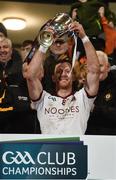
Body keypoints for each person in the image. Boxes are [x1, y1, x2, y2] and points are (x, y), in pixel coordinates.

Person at [23, 21, 100, 135]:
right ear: (53, 78)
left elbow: (94, 71)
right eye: (59, 71)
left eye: (67, 71)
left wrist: (83, 37)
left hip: (76, 150)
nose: (63, 74)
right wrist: (45, 43)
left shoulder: (82, 98)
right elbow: (31, 76)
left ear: (73, 77)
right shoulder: (43, 99)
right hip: (49, 150)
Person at [0, 37, 41, 133]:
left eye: (5, 47)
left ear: (11, 50)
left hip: (25, 129)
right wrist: (26, 106)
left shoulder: (22, 68)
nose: (2, 50)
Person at [86, 50, 116, 135]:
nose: (97, 69)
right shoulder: (82, 86)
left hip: (111, 139)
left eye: (100, 66)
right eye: (93, 66)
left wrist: (95, 109)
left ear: (108, 67)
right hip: (88, 138)